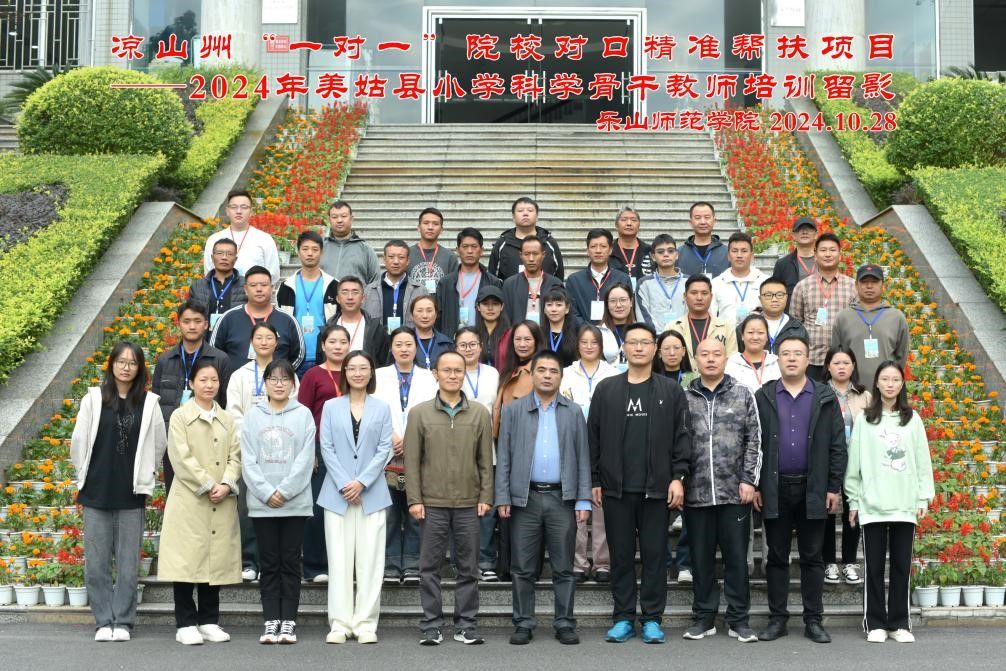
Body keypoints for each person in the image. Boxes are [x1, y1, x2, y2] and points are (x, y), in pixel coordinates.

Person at [588, 322, 691, 644]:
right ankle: (623, 617)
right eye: (632, 342)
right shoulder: (607, 389)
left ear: (654, 348)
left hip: (656, 489)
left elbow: (682, 438)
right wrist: (594, 478)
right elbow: (593, 438)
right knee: (620, 557)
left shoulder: (670, 391)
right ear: (624, 348)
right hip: (616, 489)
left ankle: (651, 619)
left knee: (654, 556)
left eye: (645, 342)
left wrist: (678, 477)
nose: (638, 348)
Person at [753, 334, 847, 645]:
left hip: (813, 487)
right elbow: (753, 443)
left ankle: (813, 620)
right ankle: (777, 619)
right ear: (777, 359)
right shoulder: (764, 396)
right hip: (775, 487)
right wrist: (756, 484)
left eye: (798, 353)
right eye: (785, 353)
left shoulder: (824, 396)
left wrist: (833, 486)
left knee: (812, 557)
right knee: (777, 557)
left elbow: (837, 444)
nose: (791, 358)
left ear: (808, 360)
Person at [71, 341, 167, 642]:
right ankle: (103, 621)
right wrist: (84, 474)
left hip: (131, 493)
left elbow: (159, 443)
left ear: (140, 368)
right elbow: (79, 441)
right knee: (96, 563)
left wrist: (146, 474)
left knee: (127, 564)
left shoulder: (148, 403)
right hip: (97, 491)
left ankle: (123, 621)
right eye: (121, 361)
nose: (126, 367)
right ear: (111, 364)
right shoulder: (94, 399)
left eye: (133, 362)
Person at [496, 350, 592, 646]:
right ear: (532, 374)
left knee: (564, 567)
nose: (547, 375)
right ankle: (523, 623)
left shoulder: (573, 412)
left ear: (561, 377)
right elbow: (504, 456)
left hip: (562, 499)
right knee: (522, 567)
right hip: (525, 499)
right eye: (542, 370)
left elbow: (583, 456)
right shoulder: (514, 410)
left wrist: (583, 499)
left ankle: (564, 622)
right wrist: (503, 496)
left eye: (553, 371)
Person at [406, 350, 495, 646]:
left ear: (464, 374)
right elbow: (412, 462)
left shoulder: (479, 413)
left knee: (468, 568)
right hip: (432, 502)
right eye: (447, 370)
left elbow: (485, 460)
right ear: (436, 374)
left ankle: (466, 624)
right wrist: (414, 499)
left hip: (469, 502)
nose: (453, 375)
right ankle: (431, 625)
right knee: (429, 568)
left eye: (458, 370)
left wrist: (486, 495)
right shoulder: (419, 413)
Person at [845, 361, 935, 644]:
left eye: (895, 379)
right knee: (873, 567)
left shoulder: (912, 419)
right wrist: (853, 500)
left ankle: (899, 623)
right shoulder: (865, 419)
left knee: (900, 566)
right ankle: (875, 623)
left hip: (904, 503)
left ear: (902, 383)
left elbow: (923, 460)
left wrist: (923, 496)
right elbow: (854, 462)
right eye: (885, 379)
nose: (890, 384)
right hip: (872, 504)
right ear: (877, 383)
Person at [681, 338, 761, 643]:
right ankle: (704, 617)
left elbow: (754, 439)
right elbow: (676, 442)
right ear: (696, 359)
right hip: (696, 494)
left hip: (734, 493)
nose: (711, 359)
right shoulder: (684, 397)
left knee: (736, 560)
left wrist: (749, 480)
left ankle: (739, 619)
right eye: (705, 354)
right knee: (701, 561)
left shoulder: (743, 393)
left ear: (726, 358)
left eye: (717, 354)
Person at [159, 359, 242, 646]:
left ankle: (209, 620)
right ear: (191, 383)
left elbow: (236, 456)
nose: (209, 385)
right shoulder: (180, 417)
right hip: (190, 499)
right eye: (203, 380)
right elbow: (180, 457)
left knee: (214, 560)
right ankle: (185, 622)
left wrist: (226, 483)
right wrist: (208, 484)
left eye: (214, 380)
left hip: (221, 498)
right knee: (185, 562)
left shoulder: (227, 419)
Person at [318, 350, 394, 644]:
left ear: (371, 372)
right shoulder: (331, 406)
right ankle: (339, 623)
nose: (358, 373)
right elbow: (326, 447)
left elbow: (384, 449)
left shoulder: (382, 408)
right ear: (345, 372)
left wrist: (361, 482)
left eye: (363, 368)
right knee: (338, 561)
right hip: (337, 495)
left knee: (370, 562)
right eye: (352, 368)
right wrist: (345, 483)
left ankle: (365, 623)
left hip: (371, 495)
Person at [240, 359, 316, 645]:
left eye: (285, 379)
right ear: (266, 383)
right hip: (263, 505)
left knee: (290, 562)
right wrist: (265, 492)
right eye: (274, 379)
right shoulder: (252, 416)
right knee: (269, 563)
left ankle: (289, 622)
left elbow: (305, 459)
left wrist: (284, 491)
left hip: (294, 503)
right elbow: (248, 460)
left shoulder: (304, 415)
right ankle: (271, 620)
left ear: (293, 384)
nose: (279, 384)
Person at [226, 323, 301, 581]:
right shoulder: (240, 375)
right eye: (259, 337)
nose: (264, 342)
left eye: (269, 337)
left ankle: (274, 561)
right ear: (251, 342)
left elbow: (294, 409)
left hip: (282, 450)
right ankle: (249, 561)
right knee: (248, 506)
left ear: (276, 342)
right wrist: (252, 439)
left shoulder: (288, 374)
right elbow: (233, 412)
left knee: (279, 503)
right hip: (249, 450)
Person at [374, 327, 438, 585]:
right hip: (386, 454)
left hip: (419, 454)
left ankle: (412, 565)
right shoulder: (378, 376)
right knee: (389, 513)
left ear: (415, 348)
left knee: (415, 512)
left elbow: (432, 413)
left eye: (409, 344)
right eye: (398, 344)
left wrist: (410, 438)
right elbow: (373, 410)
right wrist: (391, 434)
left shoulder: (428, 378)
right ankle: (390, 565)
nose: (404, 349)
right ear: (391, 348)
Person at [559, 324, 619, 584]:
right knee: (577, 503)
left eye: (594, 342)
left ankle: (602, 562)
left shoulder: (613, 374)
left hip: (605, 445)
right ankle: (578, 562)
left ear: (601, 346)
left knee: (600, 503)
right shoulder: (566, 373)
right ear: (577, 345)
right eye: (584, 342)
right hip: (572, 443)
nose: (589, 346)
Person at [151, 299, 232, 491]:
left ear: (206, 324)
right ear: (179, 324)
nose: (192, 326)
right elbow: (156, 403)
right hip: (174, 441)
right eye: (186, 321)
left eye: (197, 321)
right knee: (177, 494)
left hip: (210, 441)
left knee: (210, 493)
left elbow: (226, 402)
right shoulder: (165, 360)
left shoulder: (220, 359)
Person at [297, 324, 353, 583]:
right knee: (319, 507)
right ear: (322, 345)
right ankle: (314, 565)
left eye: (343, 342)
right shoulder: (312, 375)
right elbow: (303, 416)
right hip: (320, 446)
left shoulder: (356, 371)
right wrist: (310, 451)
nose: (338, 347)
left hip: (352, 448)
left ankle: (343, 565)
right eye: (332, 342)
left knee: (348, 507)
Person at [821, 345, 871, 586]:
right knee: (827, 511)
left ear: (853, 366)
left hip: (855, 461)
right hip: (828, 460)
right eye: (836, 363)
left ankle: (850, 562)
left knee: (853, 510)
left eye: (846, 363)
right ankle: (829, 562)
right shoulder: (819, 393)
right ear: (828, 366)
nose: (841, 367)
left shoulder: (865, 396)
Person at [455, 327, 502, 580]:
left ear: (481, 347)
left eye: (473, 344)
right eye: (462, 345)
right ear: (455, 348)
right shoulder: (450, 372)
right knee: (459, 508)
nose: (468, 349)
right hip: (456, 450)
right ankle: (462, 562)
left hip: (487, 449)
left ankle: (485, 560)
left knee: (487, 508)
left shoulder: (492, 374)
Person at [653, 329, 695, 583]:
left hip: (689, 450)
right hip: (657, 452)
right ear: (658, 353)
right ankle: (664, 561)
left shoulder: (694, 379)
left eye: (676, 348)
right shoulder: (651, 379)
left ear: (683, 351)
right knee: (657, 514)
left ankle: (685, 564)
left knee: (690, 511)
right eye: (666, 348)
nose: (671, 352)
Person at [210, 265, 305, 374]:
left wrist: (282, 375)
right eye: (253, 285)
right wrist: (232, 378)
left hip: (276, 382)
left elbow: (299, 355)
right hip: (237, 383)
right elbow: (214, 353)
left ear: (272, 288)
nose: (259, 289)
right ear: (245, 289)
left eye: (264, 285)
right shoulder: (228, 318)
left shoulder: (287, 320)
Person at [832, 264, 910, 390]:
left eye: (874, 282)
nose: (869, 286)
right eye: (864, 282)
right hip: (852, 390)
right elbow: (836, 354)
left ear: (883, 285)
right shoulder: (843, 317)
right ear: (856, 285)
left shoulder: (896, 317)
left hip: (886, 390)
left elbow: (901, 356)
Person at [789, 233, 856, 380]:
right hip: (812, 360)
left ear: (840, 255)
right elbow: (795, 322)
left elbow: (857, 323)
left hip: (842, 361)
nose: (828, 254)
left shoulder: (852, 286)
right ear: (815, 255)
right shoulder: (803, 286)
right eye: (823, 250)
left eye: (832, 250)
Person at [277, 231, 339, 378]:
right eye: (305, 249)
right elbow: (281, 321)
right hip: (295, 356)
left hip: (325, 356)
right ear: (298, 252)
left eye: (315, 249)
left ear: (321, 252)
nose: (310, 253)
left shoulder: (333, 285)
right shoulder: (286, 286)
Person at [435, 228, 503, 338]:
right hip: (451, 341)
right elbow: (438, 316)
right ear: (457, 250)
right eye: (465, 246)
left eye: (474, 246)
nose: (470, 251)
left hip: (482, 340)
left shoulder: (492, 282)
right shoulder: (446, 283)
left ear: (481, 250)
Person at [202, 189, 280, 281]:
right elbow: (209, 273)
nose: (238, 211)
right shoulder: (214, 240)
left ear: (251, 211)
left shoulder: (265, 239)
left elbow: (273, 275)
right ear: (227, 211)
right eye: (234, 207)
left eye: (244, 207)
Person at [665, 275, 738, 371]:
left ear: (711, 297)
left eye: (704, 293)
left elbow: (732, 361)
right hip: (681, 378)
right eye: (694, 293)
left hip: (716, 379)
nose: (699, 298)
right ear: (685, 296)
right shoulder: (672, 327)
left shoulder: (726, 327)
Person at [489, 196, 565, 280]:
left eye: (530, 210)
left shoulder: (549, 242)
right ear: (513, 217)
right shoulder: (502, 243)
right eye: (520, 211)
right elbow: (493, 276)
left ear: (537, 217)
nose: (525, 213)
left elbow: (559, 275)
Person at [565, 229, 630, 326]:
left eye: (603, 246)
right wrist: (589, 330)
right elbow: (572, 313)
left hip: (614, 331)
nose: (598, 251)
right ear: (587, 251)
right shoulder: (574, 280)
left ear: (610, 250)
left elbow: (628, 310)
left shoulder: (622, 279)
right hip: (583, 333)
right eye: (593, 246)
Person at [362, 240, 429, 333]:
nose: (396, 262)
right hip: (377, 341)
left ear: (408, 261)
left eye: (401, 257)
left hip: (409, 341)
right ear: (384, 259)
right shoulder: (369, 290)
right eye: (391, 257)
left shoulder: (420, 291)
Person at [493, 320, 545, 438]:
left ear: (537, 342)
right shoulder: (508, 370)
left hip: (528, 438)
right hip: (505, 437)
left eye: (527, 339)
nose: (522, 344)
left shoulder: (540, 373)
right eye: (517, 339)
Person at [501, 235, 564, 328]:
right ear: (520, 255)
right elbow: (505, 318)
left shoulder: (555, 284)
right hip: (519, 335)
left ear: (543, 255)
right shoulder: (510, 284)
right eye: (527, 254)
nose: (531, 259)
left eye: (535, 254)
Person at [329, 276, 390, 365]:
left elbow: (383, 363)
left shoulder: (377, 330)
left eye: (355, 292)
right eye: (345, 292)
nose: (350, 297)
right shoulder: (328, 328)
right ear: (338, 299)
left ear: (363, 298)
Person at [188, 238, 247, 330]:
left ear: (235, 259)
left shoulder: (246, 285)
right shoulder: (198, 286)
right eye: (220, 253)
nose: (224, 257)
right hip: (206, 337)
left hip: (235, 336)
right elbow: (191, 316)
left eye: (229, 254)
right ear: (212, 258)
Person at [740, 276, 809, 355]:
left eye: (779, 295)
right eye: (768, 295)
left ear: (786, 297)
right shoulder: (746, 327)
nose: (774, 299)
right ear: (760, 299)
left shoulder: (797, 328)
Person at [712, 232, 768, 327]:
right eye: (734, 251)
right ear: (728, 256)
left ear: (752, 256)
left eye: (744, 251)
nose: (739, 255)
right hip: (725, 335)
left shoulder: (765, 281)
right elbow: (711, 316)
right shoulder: (716, 283)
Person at [319, 200, 381, 284]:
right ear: (329, 220)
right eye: (334, 217)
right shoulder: (320, 247)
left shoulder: (366, 250)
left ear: (351, 219)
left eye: (344, 216)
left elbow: (375, 283)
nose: (339, 220)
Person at [635, 234, 686, 331]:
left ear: (677, 255)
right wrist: (660, 336)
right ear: (653, 257)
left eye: (670, 251)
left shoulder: (688, 282)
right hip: (655, 337)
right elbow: (643, 318)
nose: (666, 254)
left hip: (684, 336)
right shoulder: (644, 284)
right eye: (660, 252)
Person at [725, 314, 781, 393]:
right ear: (742, 336)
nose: (755, 337)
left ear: (767, 337)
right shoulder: (731, 363)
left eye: (760, 333)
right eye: (750, 332)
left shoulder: (776, 363)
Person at [408, 207, 460, 292]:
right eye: (426, 223)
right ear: (418, 227)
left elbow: (454, 288)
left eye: (435, 224)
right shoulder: (407, 254)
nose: (430, 227)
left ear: (441, 230)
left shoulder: (450, 257)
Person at [676, 202, 729, 278]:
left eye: (707, 217)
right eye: (697, 218)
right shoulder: (678, 254)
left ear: (714, 221)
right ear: (690, 222)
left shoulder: (727, 253)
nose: (703, 222)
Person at [772, 217, 819, 302]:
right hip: (792, 309)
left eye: (809, 229)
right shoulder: (782, 264)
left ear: (816, 234)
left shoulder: (825, 261)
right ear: (793, 235)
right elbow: (775, 292)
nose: (805, 232)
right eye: (800, 229)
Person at [597, 282, 636, 369]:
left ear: (631, 302)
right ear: (607, 305)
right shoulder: (598, 332)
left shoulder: (641, 331)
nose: (618, 305)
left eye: (623, 300)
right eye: (613, 301)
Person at [408, 294, 453, 370]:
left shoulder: (447, 343)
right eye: (419, 311)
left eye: (429, 311)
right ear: (412, 315)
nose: (425, 316)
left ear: (436, 314)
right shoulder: (403, 342)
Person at [609, 206, 654, 281]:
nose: (629, 223)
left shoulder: (649, 251)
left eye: (633, 220)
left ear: (639, 225)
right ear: (616, 225)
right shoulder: (608, 251)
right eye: (624, 220)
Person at [474, 285, 510, 370]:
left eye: (495, 304)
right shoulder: (472, 335)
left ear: (502, 306)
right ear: (478, 307)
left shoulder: (511, 334)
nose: (490, 308)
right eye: (485, 304)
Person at [542, 287, 579, 367]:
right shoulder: (539, 333)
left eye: (559, 305)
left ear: (567, 309)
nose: (553, 309)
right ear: (544, 309)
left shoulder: (578, 332)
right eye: (549, 305)